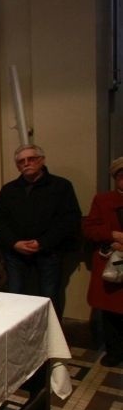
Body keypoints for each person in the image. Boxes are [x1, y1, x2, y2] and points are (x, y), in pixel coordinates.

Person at [0, 144, 81, 318]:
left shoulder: (61, 186)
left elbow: (69, 220)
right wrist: (14, 243)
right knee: (15, 297)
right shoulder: (9, 190)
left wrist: (43, 243)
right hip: (16, 254)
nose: (26, 163)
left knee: (49, 297)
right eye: (21, 161)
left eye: (31, 159)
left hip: (49, 252)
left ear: (41, 160)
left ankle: (50, 341)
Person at [83, 157, 123, 367]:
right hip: (112, 265)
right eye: (121, 175)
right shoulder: (103, 200)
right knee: (110, 313)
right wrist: (113, 236)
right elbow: (90, 229)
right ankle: (113, 351)